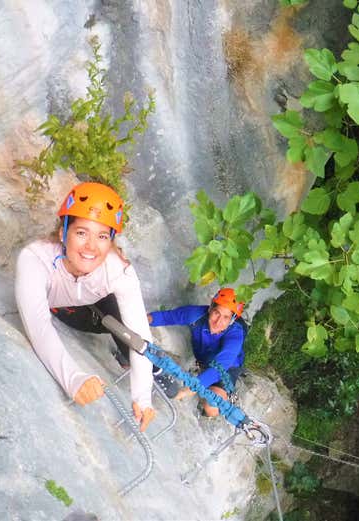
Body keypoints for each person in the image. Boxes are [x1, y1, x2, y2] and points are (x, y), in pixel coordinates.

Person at [15, 181, 171, 432]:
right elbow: (38, 326)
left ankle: (132, 359)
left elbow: (140, 335)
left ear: (111, 241)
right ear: (63, 233)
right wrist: (73, 378)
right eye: (81, 233)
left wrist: (142, 397)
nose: (91, 246)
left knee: (118, 315)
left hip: (96, 309)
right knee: (108, 310)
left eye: (101, 236)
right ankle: (125, 353)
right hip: (65, 312)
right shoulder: (35, 259)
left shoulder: (119, 270)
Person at [147, 288, 247, 417]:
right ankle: (205, 379)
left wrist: (187, 390)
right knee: (206, 380)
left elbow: (220, 367)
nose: (218, 321)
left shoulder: (235, 334)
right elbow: (167, 317)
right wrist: (141, 319)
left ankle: (221, 391)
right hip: (205, 359)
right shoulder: (197, 315)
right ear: (210, 308)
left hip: (227, 368)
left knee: (211, 409)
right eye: (217, 313)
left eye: (226, 317)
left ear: (232, 320)